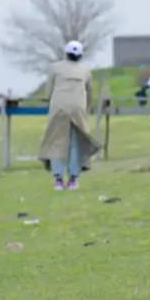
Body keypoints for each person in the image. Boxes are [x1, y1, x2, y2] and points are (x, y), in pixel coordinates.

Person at [38, 41, 100, 190]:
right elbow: (89, 94)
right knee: (75, 143)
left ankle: (58, 179)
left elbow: (48, 93)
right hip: (78, 109)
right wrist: (85, 110)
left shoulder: (54, 68)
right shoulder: (86, 70)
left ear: (66, 53)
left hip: (59, 108)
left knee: (56, 141)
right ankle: (73, 179)